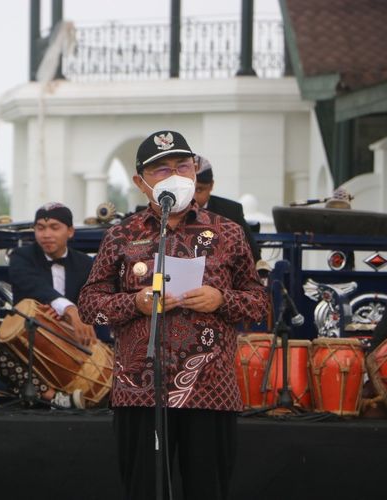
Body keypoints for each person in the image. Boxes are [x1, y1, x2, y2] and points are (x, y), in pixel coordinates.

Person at [78, 130, 268, 499]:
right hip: (140, 391)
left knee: (207, 490)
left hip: (211, 390)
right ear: (140, 182)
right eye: (162, 170)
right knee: (143, 489)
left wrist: (221, 299)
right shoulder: (121, 235)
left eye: (183, 166)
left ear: (196, 171)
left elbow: (260, 302)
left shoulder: (227, 231)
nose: (175, 176)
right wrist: (135, 303)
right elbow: (89, 304)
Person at [0, 202, 96, 409]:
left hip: (73, 340)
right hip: (29, 343)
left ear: (70, 232)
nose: (46, 234)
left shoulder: (86, 264)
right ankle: (54, 397)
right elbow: (35, 287)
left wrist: (82, 318)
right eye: (40, 228)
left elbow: (93, 299)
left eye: (54, 227)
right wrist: (68, 309)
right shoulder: (20, 257)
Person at [193, 154, 261, 262]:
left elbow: (251, 253)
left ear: (211, 186)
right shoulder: (171, 211)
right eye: (189, 190)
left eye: (199, 190)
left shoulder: (231, 211)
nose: (194, 197)